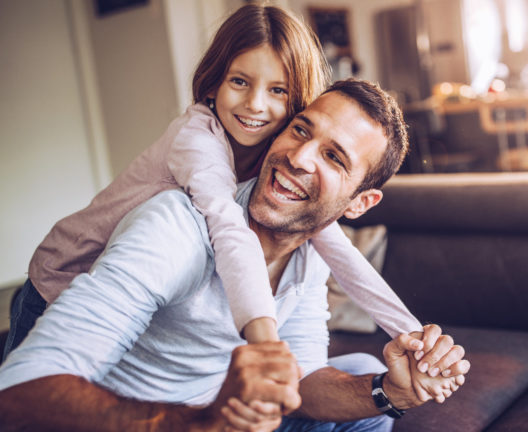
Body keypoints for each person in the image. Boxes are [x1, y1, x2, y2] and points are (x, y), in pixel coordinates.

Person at [0, 79, 470, 431]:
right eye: (300, 130)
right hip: (149, 421)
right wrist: (202, 422)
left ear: (359, 203)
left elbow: (302, 380)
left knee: (366, 378)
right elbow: (17, 392)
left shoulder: (311, 249)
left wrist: (394, 393)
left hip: (218, 418)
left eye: (334, 157)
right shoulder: (176, 227)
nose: (299, 157)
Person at [5, 4, 421, 363]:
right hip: (60, 279)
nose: (255, 105)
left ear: (297, 100)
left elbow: (339, 249)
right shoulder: (196, 140)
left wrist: (411, 334)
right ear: (214, 81)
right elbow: (228, 229)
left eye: (277, 90)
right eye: (239, 81)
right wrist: (265, 341)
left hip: (125, 288)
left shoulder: (279, 150)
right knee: (29, 403)